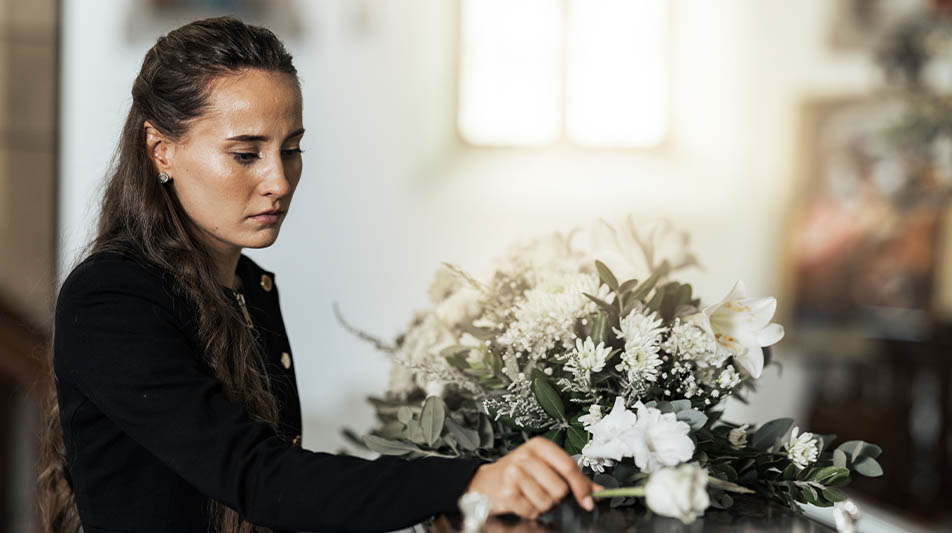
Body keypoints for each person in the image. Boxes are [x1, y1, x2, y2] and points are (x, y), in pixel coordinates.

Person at [36, 16, 600, 533]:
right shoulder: (111, 298)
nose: (279, 181)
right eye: (245, 154)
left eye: (292, 149)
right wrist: (465, 482)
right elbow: (260, 479)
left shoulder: (248, 288)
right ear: (161, 150)